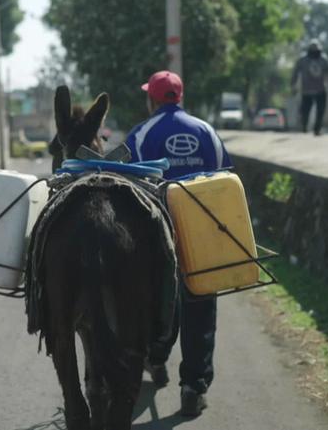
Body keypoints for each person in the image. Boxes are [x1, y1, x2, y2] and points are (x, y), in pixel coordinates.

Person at [124, 70, 232, 417]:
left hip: (157, 239)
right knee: (201, 308)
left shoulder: (141, 135)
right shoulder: (208, 133)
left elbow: (126, 189)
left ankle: (155, 359)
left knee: (159, 304)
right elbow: (225, 182)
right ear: (179, 96)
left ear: (151, 99)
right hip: (203, 238)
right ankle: (193, 389)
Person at [291, 41, 328, 135]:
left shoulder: (323, 60)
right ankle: (304, 126)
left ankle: (317, 129)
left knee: (320, 111)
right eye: (312, 49)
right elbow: (295, 73)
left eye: (316, 49)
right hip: (306, 90)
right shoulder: (303, 60)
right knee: (305, 110)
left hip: (320, 89)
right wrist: (293, 85)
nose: (314, 51)